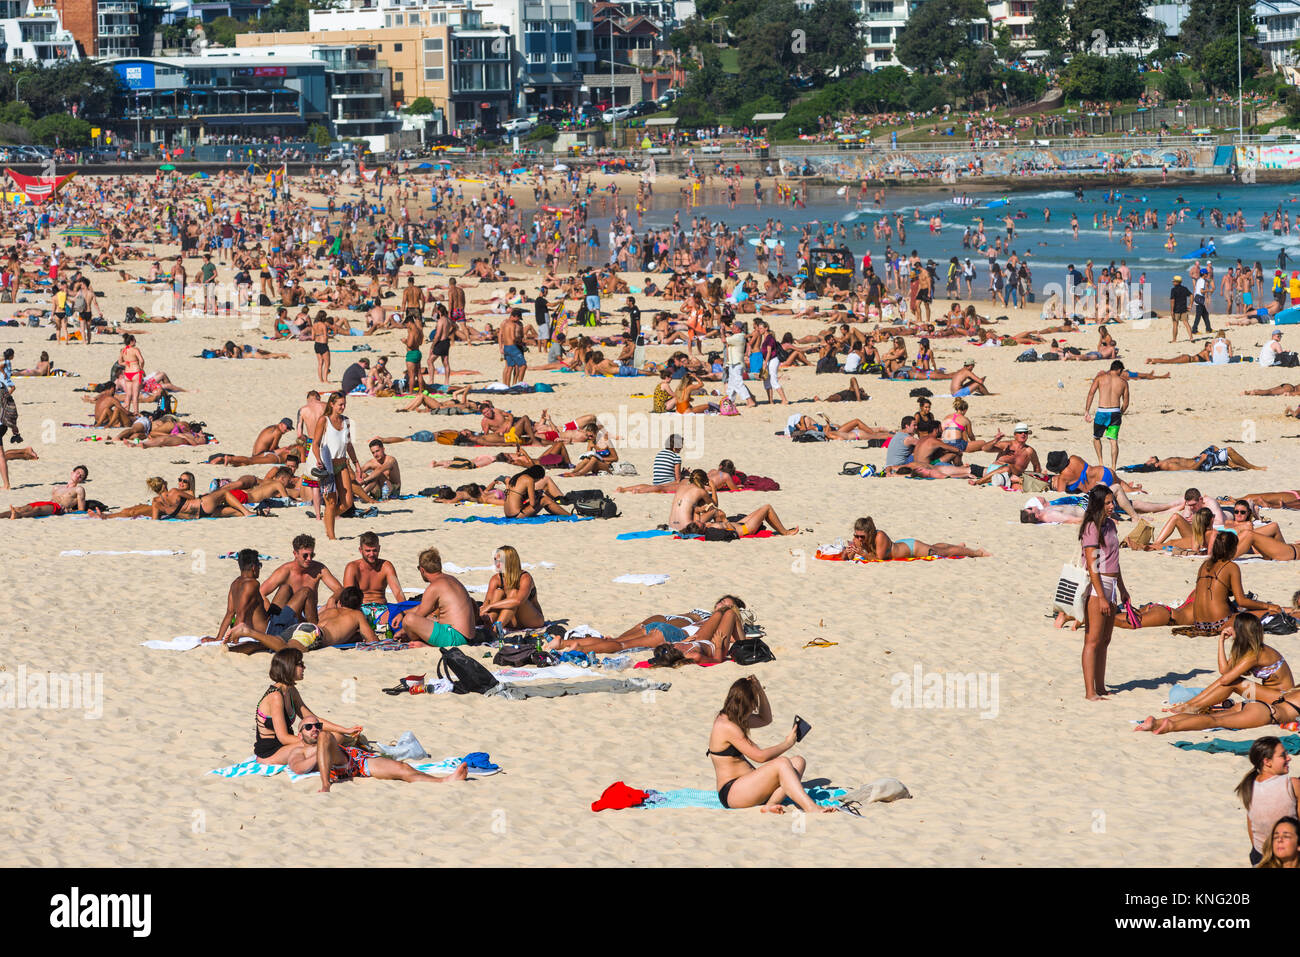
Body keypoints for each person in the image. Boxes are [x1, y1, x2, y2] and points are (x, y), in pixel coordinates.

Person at [706, 676, 832, 814]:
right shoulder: (727, 726)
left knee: (798, 762)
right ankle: (810, 807)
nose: (754, 708)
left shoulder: (734, 717)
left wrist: (759, 690)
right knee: (782, 763)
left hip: (748, 787)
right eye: (753, 704)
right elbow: (760, 757)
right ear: (745, 704)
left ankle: (770, 804)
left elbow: (765, 719)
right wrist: (787, 744)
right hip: (732, 792)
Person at [287, 712, 468, 792]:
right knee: (326, 738)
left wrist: (324, 747)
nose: (314, 729)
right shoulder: (298, 751)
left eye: (317, 725)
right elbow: (298, 768)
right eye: (308, 727)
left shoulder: (325, 737)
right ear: (300, 735)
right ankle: (325, 785)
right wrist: (319, 753)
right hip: (338, 766)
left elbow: (331, 739)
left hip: (355, 760)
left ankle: (444, 780)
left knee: (402, 768)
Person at [249, 646, 361, 765]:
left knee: (337, 736)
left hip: (286, 746)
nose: (304, 667)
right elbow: (283, 737)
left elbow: (314, 719)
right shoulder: (275, 696)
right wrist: (313, 740)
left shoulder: (291, 690)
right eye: (300, 664)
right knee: (329, 740)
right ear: (289, 667)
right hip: (270, 753)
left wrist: (345, 730)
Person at [1079, 485, 1128, 701]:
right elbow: (1093, 566)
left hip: (1111, 583)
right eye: (1107, 502)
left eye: (1112, 502)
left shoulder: (1110, 525)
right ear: (1098, 504)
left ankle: (1100, 686)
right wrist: (1101, 596)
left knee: (1105, 639)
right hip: (1097, 585)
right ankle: (1090, 691)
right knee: (1092, 639)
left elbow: (1114, 561)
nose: (1112, 506)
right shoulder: (1092, 527)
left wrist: (1123, 589)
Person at [1237, 737, 1300, 865]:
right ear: (1267, 762)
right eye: (1283, 755)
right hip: (1286, 856)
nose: (1289, 758)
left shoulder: (1249, 787)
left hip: (1260, 856)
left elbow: (1251, 827)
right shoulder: (1291, 784)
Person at [401, 547, 479, 646]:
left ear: (422, 570)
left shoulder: (434, 586)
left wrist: (403, 630)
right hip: (468, 636)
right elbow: (426, 608)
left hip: (455, 637)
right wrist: (402, 612)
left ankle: (426, 645)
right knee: (430, 618)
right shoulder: (452, 579)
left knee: (409, 620)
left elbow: (419, 614)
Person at [311, 392, 361, 540]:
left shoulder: (347, 422)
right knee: (331, 502)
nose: (343, 407)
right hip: (328, 465)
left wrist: (357, 463)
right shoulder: (324, 420)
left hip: (342, 463)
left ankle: (328, 519)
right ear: (331, 404)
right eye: (340, 404)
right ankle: (331, 536)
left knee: (347, 502)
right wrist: (318, 459)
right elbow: (315, 443)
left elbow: (349, 445)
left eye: (344, 404)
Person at [343, 530, 405, 635]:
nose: (371, 554)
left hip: (383, 609)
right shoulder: (353, 567)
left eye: (374, 550)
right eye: (368, 551)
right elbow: (348, 598)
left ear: (379, 548)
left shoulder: (386, 566)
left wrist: (402, 612)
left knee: (408, 615)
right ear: (360, 550)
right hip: (361, 608)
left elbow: (398, 593)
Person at [843, 515, 989, 560]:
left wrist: (861, 552)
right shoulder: (859, 538)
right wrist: (849, 551)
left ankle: (977, 552)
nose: (859, 539)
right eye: (857, 536)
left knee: (943, 552)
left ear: (869, 533)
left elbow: (879, 559)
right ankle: (959, 545)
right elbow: (846, 558)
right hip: (900, 546)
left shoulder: (879, 536)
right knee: (935, 547)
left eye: (862, 537)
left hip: (912, 548)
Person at [479, 545, 543, 630]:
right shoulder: (496, 579)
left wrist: (490, 606)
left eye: (500, 561)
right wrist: (485, 610)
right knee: (498, 592)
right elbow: (487, 601)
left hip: (532, 620)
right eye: (495, 560)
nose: (496, 564)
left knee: (514, 593)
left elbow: (518, 600)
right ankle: (488, 626)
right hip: (511, 620)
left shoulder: (525, 577)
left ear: (509, 561)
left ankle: (496, 630)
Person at [1084, 360, 1129, 473]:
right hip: (1115, 412)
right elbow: (1126, 402)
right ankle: (1113, 467)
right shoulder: (1123, 382)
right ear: (1119, 370)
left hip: (1102, 411)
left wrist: (1087, 411)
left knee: (1096, 437)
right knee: (1113, 440)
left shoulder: (1100, 378)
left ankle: (1101, 463)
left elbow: (1091, 393)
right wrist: (1120, 413)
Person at [1169, 275, 1192, 342]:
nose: (1173, 282)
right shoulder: (1184, 288)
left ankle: (1174, 339)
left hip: (1176, 309)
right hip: (1184, 309)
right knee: (1186, 323)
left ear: (1177, 282)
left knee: (1175, 324)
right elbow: (1191, 295)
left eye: (1174, 281)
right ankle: (1191, 337)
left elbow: (1172, 300)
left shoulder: (1173, 290)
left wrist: (1172, 310)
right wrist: (1190, 304)